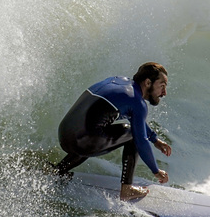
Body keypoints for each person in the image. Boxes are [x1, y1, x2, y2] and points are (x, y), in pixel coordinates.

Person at [53, 62, 172, 201]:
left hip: (65, 135)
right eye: (162, 86)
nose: (164, 93)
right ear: (147, 82)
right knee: (132, 136)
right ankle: (127, 189)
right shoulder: (138, 103)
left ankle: (57, 170)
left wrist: (154, 139)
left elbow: (133, 118)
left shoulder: (118, 81)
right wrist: (156, 171)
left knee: (93, 130)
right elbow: (141, 141)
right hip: (82, 142)